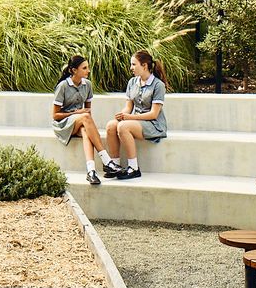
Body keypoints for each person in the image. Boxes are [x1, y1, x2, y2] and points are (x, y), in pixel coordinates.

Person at [51, 55, 119, 186]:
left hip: (80, 122)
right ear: (74, 70)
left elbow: (88, 111)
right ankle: (107, 161)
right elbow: (55, 116)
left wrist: (90, 128)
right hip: (63, 124)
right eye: (84, 68)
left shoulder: (87, 85)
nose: (88, 71)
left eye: (88, 67)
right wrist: (76, 113)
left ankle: (91, 171)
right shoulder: (63, 86)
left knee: (86, 132)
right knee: (85, 118)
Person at [105, 50, 168, 180]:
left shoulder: (158, 85)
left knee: (123, 127)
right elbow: (129, 107)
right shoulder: (132, 82)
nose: (131, 68)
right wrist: (122, 115)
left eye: (134, 64)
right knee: (111, 125)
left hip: (153, 124)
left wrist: (129, 118)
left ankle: (134, 168)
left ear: (144, 66)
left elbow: (153, 114)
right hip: (136, 121)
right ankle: (115, 166)